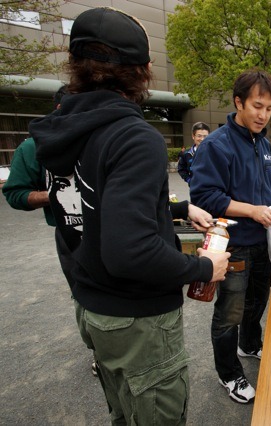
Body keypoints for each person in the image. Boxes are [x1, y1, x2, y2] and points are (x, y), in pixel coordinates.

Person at [30, 7, 229, 424]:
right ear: (144, 70)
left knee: (124, 414)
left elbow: (91, 203)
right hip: (136, 319)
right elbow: (130, 251)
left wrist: (176, 208)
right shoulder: (133, 135)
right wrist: (202, 267)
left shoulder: (63, 128)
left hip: (92, 306)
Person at [190, 69, 271, 404]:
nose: (263, 115)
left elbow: (267, 185)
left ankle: (251, 344)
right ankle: (229, 373)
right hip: (233, 247)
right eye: (257, 106)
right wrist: (253, 210)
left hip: (264, 240)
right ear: (238, 102)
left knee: (257, 301)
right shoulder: (217, 145)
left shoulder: (263, 142)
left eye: (269, 108)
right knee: (229, 312)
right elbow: (204, 197)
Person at [3, 86, 76, 292]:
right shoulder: (32, 147)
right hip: (71, 236)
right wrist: (56, 194)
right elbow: (15, 194)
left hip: (113, 229)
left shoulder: (100, 140)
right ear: (61, 107)